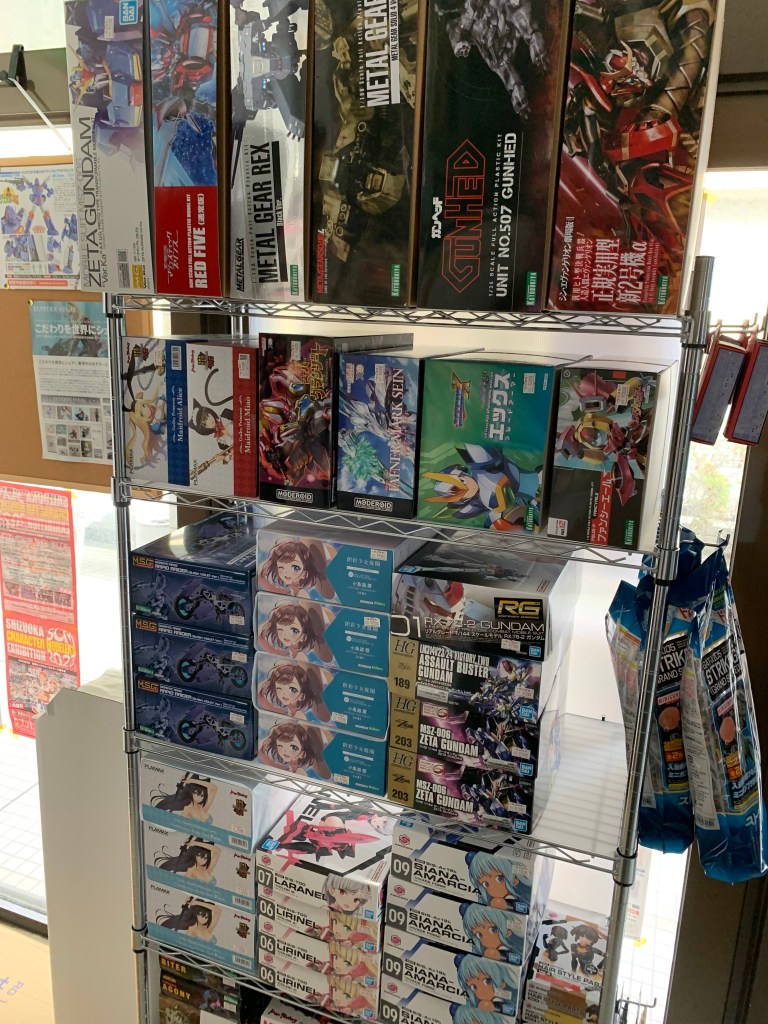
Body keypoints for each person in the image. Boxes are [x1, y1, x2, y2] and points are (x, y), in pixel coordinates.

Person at [259, 539, 334, 599]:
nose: (286, 572)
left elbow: (261, 577)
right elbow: (260, 577)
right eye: (281, 567)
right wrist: (272, 560)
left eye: (295, 568)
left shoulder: (300, 589)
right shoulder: (289, 591)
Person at [259, 601, 332, 662]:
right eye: (280, 630)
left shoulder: (303, 655)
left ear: (304, 637)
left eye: (294, 630)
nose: (285, 634)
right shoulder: (287, 652)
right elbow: (260, 639)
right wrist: (270, 623)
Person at [259, 661, 331, 722]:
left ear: (302, 696)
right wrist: (270, 681)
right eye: (279, 688)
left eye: (292, 689)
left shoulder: (303, 711)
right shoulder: (286, 712)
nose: (284, 693)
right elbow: (260, 697)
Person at [259, 720, 332, 779]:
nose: (285, 751)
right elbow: (273, 765)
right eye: (280, 746)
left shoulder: (299, 771)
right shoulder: (291, 766)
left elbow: (273, 765)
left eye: (293, 748)